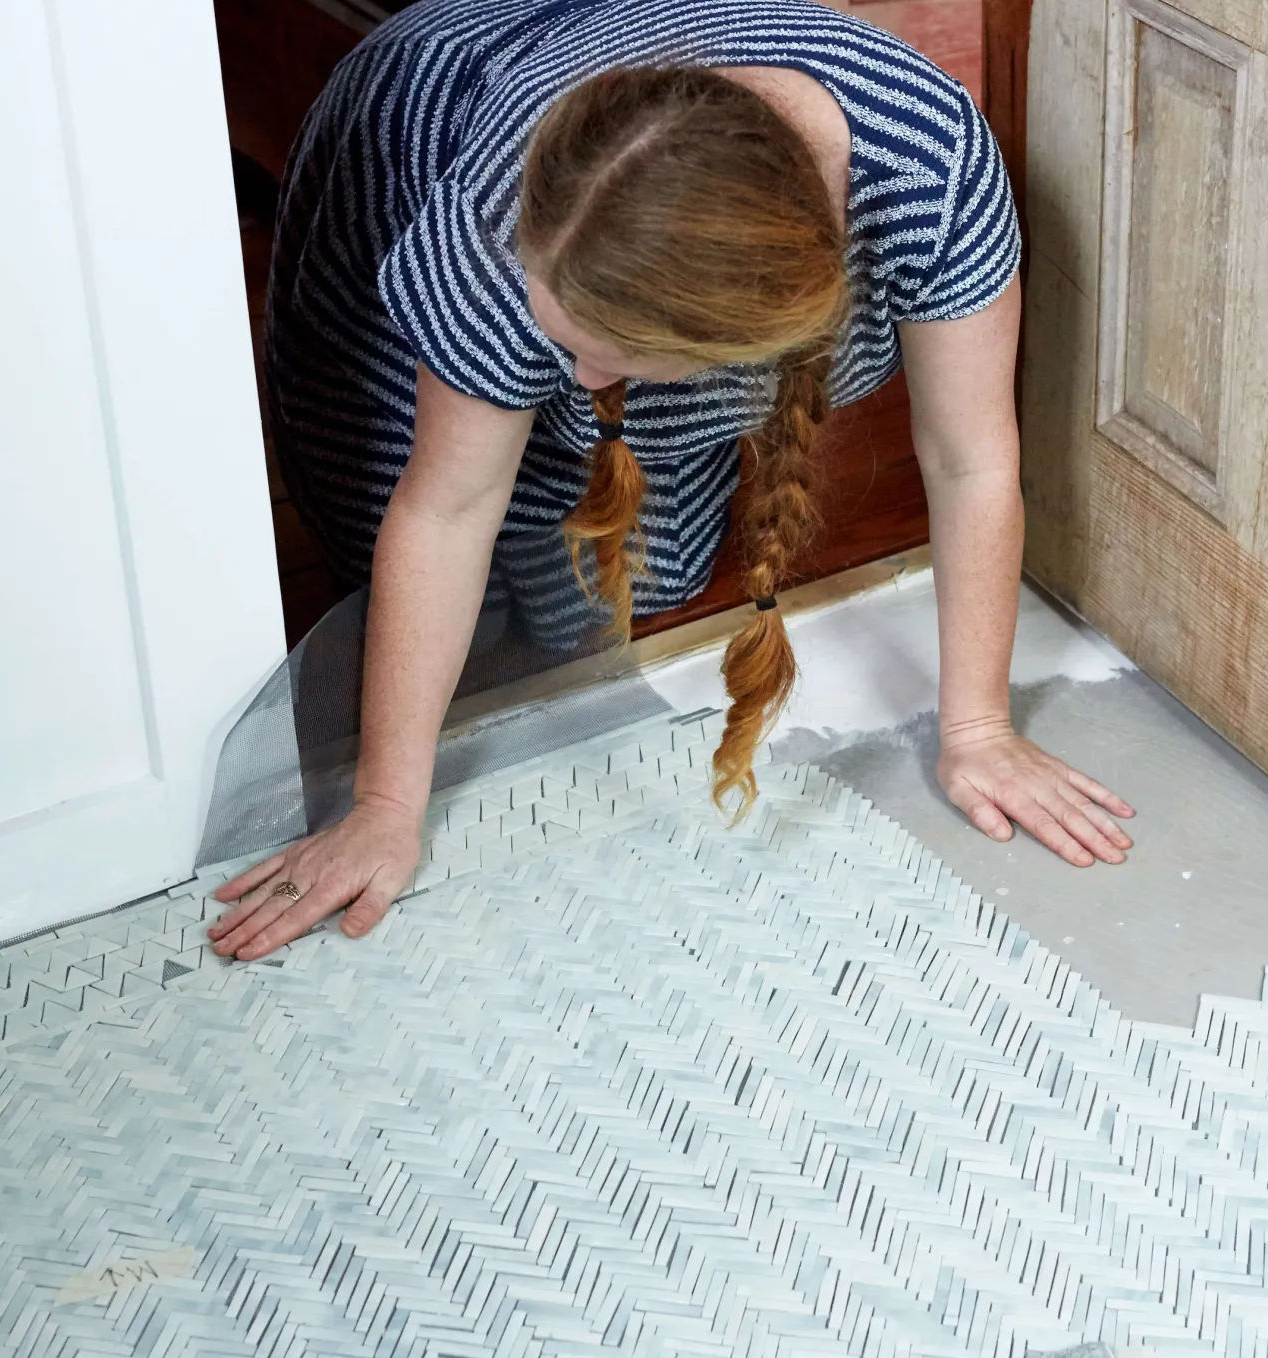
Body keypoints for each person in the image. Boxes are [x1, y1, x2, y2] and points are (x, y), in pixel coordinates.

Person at [209, 0, 1135, 962]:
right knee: (416, 539)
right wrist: (384, 807)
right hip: (434, 111)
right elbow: (444, 509)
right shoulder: (498, 225)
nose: (580, 384)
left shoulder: (932, 176)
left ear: (739, 347)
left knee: (622, 592)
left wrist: (979, 728)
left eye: (613, 359)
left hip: (673, 260)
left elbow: (969, 459)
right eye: (564, 344)